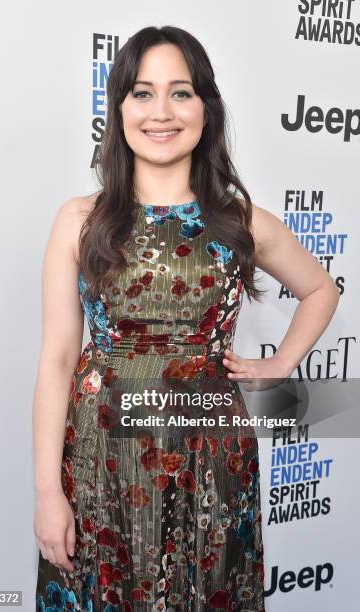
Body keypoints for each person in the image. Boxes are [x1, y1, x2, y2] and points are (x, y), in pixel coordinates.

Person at [33, 26, 339, 611]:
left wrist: (280, 362)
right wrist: (49, 491)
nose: (161, 112)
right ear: (119, 107)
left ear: (206, 109)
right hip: (101, 462)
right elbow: (56, 361)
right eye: (143, 93)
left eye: (181, 92)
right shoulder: (79, 220)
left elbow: (320, 289)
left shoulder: (240, 221)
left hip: (212, 459)